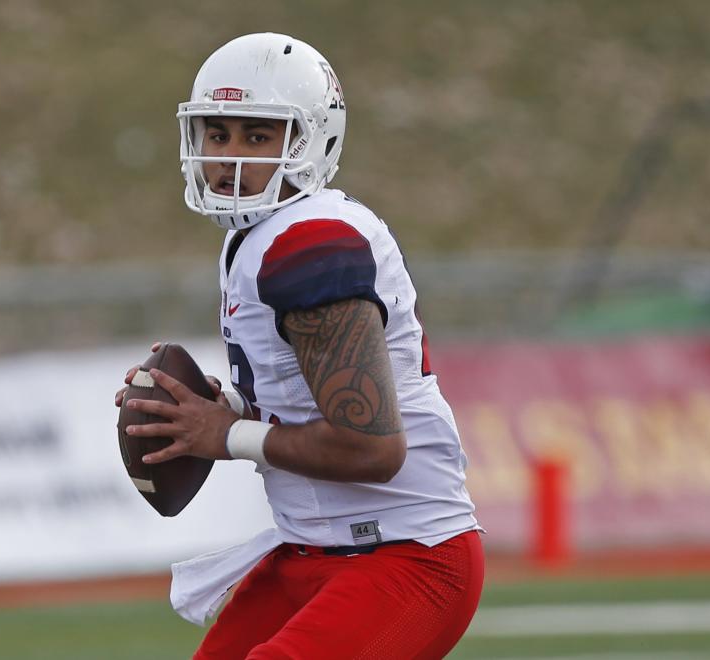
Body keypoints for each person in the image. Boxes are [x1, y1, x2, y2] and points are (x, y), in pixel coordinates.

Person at [115, 32, 483, 659]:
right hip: (312, 548)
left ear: (312, 141)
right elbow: (304, 399)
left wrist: (224, 435)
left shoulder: (310, 243)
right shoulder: (255, 237)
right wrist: (217, 406)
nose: (230, 156)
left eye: (257, 137)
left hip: (405, 558)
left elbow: (371, 449)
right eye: (217, 133)